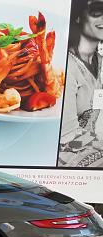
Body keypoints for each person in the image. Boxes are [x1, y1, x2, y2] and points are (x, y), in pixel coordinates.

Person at [59, 0, 103, 168]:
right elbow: (67, 135)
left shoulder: (101, 62)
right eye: (98, 10)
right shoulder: (65, 65)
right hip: (71, 153)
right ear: (78, 16)